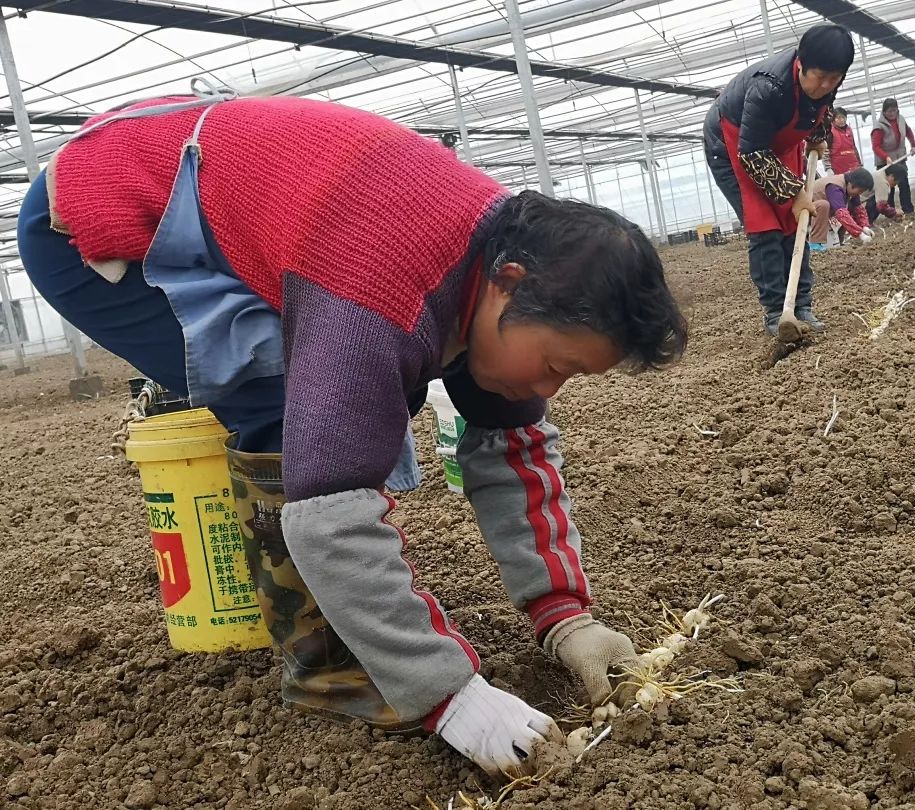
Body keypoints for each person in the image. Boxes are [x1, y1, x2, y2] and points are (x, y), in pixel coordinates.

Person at [17, 91, 689, 777]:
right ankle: (329, 668)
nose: (550, 388)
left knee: (352, 390)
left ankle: (347, 628)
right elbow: (330, 512)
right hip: (91, 222)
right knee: (282, 402)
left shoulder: (502, 263)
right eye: (553, 365)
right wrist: (447, 694)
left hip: (240, 197)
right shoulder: (382, 291)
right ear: (508, 284)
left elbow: (511, 446)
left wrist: (565, 616)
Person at [703, 23, 855, 336]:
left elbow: (821, 107)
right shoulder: (768, 88)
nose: (825, 85)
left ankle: (801, 305)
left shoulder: (828, 81)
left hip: (778, 145)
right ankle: (776, 312)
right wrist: (794, 193)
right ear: (801, 64)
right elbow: (751, 152)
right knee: (766, 227)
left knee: (795, 222)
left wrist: (818, 136)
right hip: (736, 146)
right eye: (819, 77)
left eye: (834, 79)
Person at [871, 98, 915, 217]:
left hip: (900, 158)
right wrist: (885, 157)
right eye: (889, 111)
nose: (892, 113)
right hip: (885, 161)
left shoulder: (901, 120)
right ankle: (890, 212)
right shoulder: (879, 126)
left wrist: (913, 145)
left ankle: (908, 209)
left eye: (894, 110)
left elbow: (908, 131)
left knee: (904, 184)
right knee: (887, 188)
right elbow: (876, 146)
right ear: (884, 112)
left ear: (897, 110)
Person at [808, 167, 874, 249]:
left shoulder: (849, 186)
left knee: (847, 209)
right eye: (860, 191)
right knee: (826, 206)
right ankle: (815, 244)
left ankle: (839, 241)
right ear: (852, 185)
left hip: (823, 215)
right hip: (808, 213)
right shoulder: (835, 187)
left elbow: (858, 209)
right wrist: (860, 234)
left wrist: (864, 226)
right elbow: (841, 214)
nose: (859, 194)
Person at [825, 106, 862, 175]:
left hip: (854, 166)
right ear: (833, 119)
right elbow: (825, 151)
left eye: (844, 117)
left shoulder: (849, 130)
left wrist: (859, 164)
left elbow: (854, 147)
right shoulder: (830, 132)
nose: (842, 120)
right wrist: (828, 168)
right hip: (839, 169)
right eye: (839, 118)